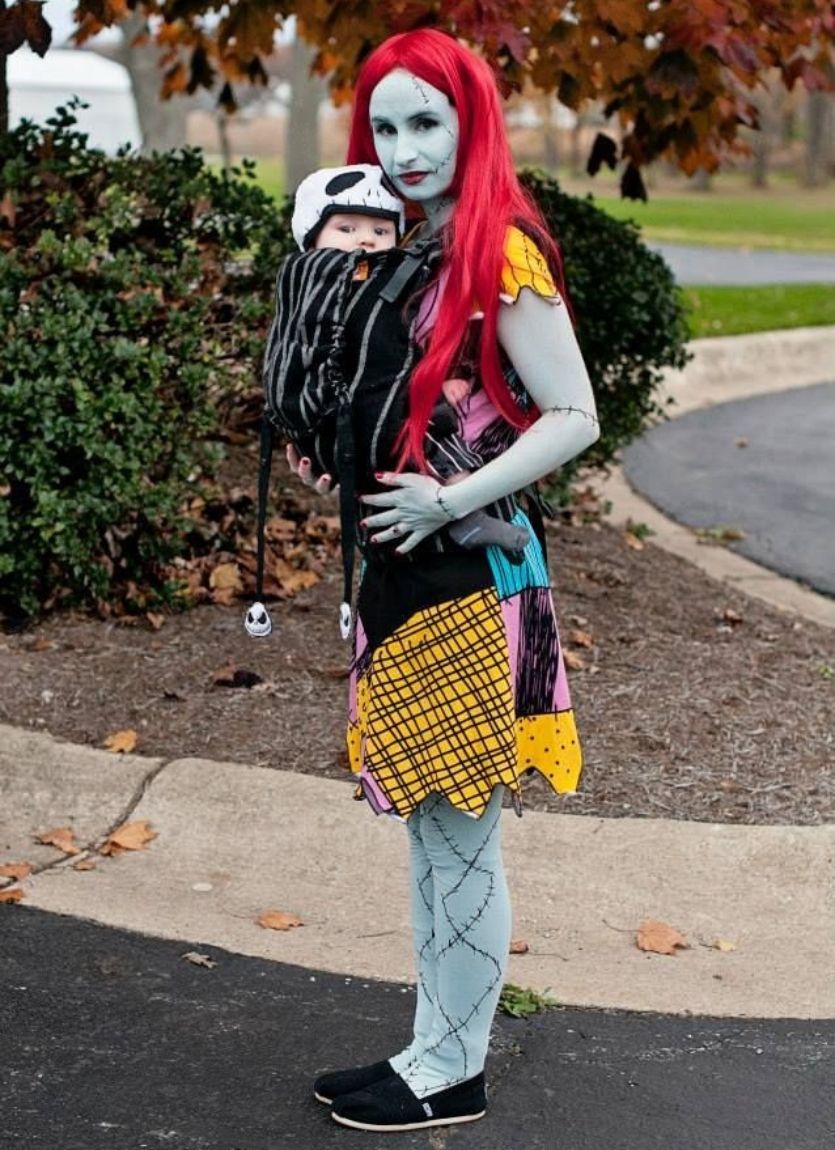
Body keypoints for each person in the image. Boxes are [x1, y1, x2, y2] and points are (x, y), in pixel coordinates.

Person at [287, 29, 599, 1133]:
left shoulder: (497, 249)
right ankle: (432, 1048)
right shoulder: (406, 250)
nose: (406, 147)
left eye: (428, 122)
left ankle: (452, 1070)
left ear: (472, 124)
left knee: (459, 829)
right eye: (386, 124)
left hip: (468, 583)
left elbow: (573, 415)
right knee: (430, 829)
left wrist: (448, 501)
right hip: (405, 583)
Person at [290, 163, 532, 559]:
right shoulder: (311, 287)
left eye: (381, 231)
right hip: (344, 407)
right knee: (412, 437)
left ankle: (466, 513)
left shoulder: (398, 281)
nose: (365, 241)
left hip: (394, 398)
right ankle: (446, 515)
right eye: (347, 229)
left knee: (434, 431)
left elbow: (435, 335)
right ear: (312, 237)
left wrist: (455, 373)